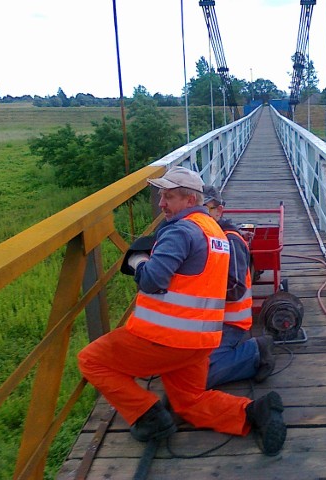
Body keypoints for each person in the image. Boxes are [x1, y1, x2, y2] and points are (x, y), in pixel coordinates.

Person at [77, 166, 286, 456]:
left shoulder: (180, 230)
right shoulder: (216, 232)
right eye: (161, 196)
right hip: (200, 342)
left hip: (164, 338)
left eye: (170, 197)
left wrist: (138, 261)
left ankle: (148, 415)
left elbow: (152, 280)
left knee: (91, 360)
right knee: (188, 402)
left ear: (190, 201)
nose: (162, 204)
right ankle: (255, 413)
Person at [202, 185, 276, 388]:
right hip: (204, 320)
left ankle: (256, 351)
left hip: (228, 323)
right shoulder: (199, 236)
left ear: (219, 211)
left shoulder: (229, 241)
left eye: (205, 209)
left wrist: (196, 291)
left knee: (199, 377)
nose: (199, 216)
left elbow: (234, 289)